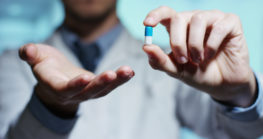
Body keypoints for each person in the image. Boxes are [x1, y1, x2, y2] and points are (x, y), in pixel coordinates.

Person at [0, 0, 263, 138]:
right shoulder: (14, 63)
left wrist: (239, 93)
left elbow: (242, 132)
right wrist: (50, 107)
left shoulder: (176, 60)